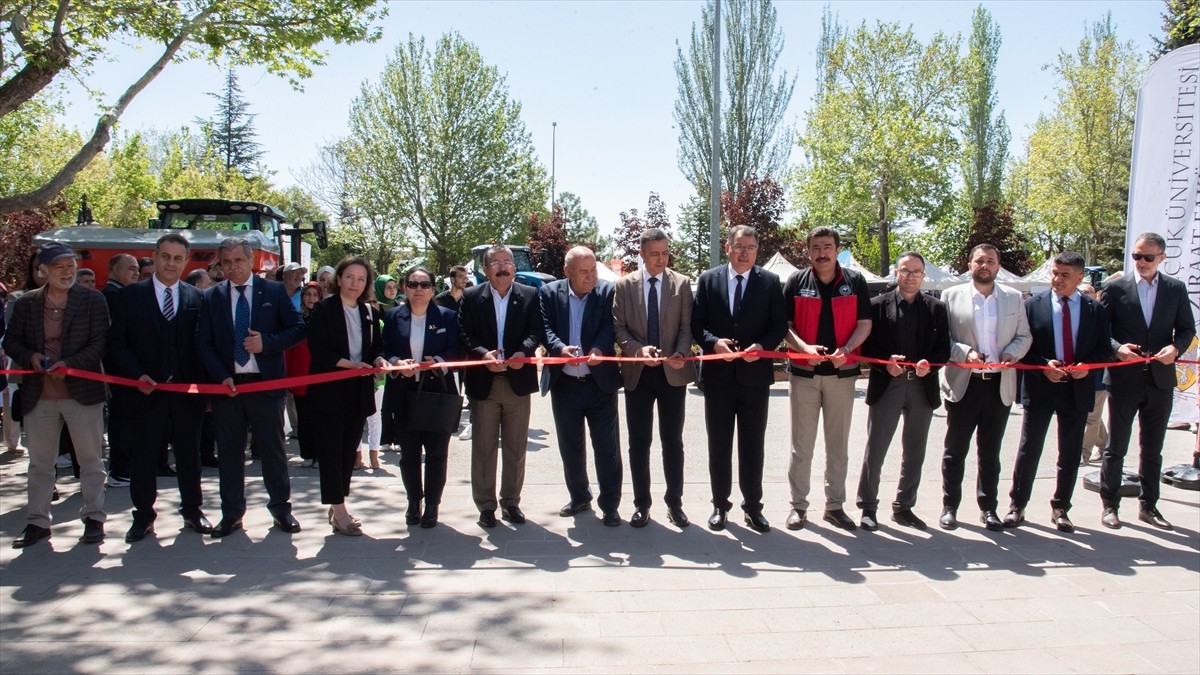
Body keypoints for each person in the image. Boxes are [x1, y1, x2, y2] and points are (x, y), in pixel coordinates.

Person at [196, 237, 306, 538]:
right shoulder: (212, 297)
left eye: (239, 261)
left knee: (272, 451)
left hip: (265, 385)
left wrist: (266, 343)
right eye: (227, 262)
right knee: (230, 453)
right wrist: (221, 375)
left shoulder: (273, 291)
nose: (233, 267)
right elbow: (203, 342)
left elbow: (298, 329)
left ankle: (281, 510)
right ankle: (231, 514)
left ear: (251, 262)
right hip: (229, 389)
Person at [4, 242, 110, 548]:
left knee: (90, 460)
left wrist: (71, 365)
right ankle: (37, 521)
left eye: (71, 265)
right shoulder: (26, 303)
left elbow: (100, 342)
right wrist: (31, 357)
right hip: (40, 395)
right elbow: (11, 341)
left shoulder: (93, 299)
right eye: (60, 266)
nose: (68, 271)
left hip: (82, 392)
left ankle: (94, 517)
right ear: (43, 271)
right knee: (40, 463)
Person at [108, 233, 213, 542]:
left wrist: (205, 393)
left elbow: (203, 346)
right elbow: (117, 343)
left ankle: (193, 511)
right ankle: (143, 517)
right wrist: (137, 375)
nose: (171, 263)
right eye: (165, 257)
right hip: (145, 393)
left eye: (178, 258)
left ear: (185, 261)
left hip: (186, 396)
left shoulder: (197, 297)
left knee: (189, 455)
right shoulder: (130, 296)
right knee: (144, 455)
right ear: (154, 257)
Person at [1002, 252, 1112, 533]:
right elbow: (1023, 346)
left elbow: (1103, 350)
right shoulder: (1032, 306)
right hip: (1041, 387)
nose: (1057, 279)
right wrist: (1042, 366)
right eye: (1054, 273)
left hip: (1077, 389)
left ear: (1079, 277)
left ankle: (1061, 507)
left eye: (1065, 275)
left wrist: (1087, 367)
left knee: (1070, 452)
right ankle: (1017, 505)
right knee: (1029, 449)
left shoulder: (1094, 310)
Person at [691, 225, 787, 532]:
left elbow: (778, 324)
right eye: (740, 246)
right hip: (718, 378)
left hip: (754, 378)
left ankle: (753, 507)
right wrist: (713, 343)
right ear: (728, 246)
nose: (746, 253)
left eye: (752, 247)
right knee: (719, 446)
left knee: (752, 446)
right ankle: (720, 505)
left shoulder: (770, 282)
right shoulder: (708, 280)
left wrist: (763, 347)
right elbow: (696, 324)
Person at [1100, 232, 1196, 530]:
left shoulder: (1175, 289)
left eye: (1147, 257)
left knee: (1152, 448)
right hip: (1124, 378)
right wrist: (1117, 349)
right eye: (1136, 256)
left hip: (1159, 380)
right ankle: (1110, 505)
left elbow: (1186, 329)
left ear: (1162, 258)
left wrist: (1175, 348)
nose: (1140, 262)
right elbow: (1100, 330)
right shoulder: (1116, 288)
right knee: (1116, 446)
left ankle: (1149, 506)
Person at [782, 226, 873, 531]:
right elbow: (786, 326)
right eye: (816, 247)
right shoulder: (796, 281)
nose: (822, 253)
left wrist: (847, 348)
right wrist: (804, 348)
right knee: (801, 446)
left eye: (828, 247)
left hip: (842, 375)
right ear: (808, 251)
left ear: (837, 250)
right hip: (804, 376)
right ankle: (798, 506)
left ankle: (834, 505)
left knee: (838, 446)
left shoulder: (855, 281)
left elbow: (865, 324)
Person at [939, 244, 1032, 531]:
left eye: (990, 261)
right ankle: (949, 506)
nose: (985, 265)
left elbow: (1024, 336)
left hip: (998, 385)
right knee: (955, 450)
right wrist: (965, 353)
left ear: (998, 265)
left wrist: (1012, 353)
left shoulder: (1014, 299)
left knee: (990, 453)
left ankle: (988, 508)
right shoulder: (950, 296)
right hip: (964, 384)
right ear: (970, 265)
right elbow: (944, 339)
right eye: (979, 260)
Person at [855, 251, 950, 531]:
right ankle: (868, 507)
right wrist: (886, 364)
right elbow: (866, 347)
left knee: (915, 450)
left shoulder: (936, 308)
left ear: (924, 275)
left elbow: (943, 349)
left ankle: (904, 506)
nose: (911, 277)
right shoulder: (876, 305)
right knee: (876, 448)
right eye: (905, 271)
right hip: (888, 384)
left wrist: (929, 366)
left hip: (922, 385)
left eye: (916, 272)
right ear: (896, 273)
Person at [613, 228, 696, 528]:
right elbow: (619, 329)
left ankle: (675, 504)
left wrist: (681, 352)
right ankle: (641, 505)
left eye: (665, 253)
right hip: (638, 375)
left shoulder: (682, 284)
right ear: (642, 254)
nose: (661, 259)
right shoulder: (624, 286)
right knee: (639, 443)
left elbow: (687, 327)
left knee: (673, 441)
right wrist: (637, 350)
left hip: (673, 374)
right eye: (654, 254)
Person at [458, 244, 542, 528]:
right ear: (485, 269)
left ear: (514, 268)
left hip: (517, 382)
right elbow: (465, 334)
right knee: (483, 448)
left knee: (516, 448)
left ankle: (511, 502)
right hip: (485, 383)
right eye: (496, 262)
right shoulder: (471, 297)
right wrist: (483, 355)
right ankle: (485, 505)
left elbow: (536, 332)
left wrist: (523, 352)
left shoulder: (530, 295)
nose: (503, 266)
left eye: (507, 261)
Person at [540, 246, 624, 526]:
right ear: (567, 272)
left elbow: (609, 327)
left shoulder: (606, 292)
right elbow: (546, 327)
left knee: (607, 447)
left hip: (600, 384)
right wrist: (558, 347)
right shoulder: (549, 293)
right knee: (570, 446)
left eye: (593, 271)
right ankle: (579, 497)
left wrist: (599, 349)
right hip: (565, 383)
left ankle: (610, 504)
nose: (591, 277)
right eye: (583, 272)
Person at [305, 257, 383, 536]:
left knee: (348, 451)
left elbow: (376, 349)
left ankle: (339, 504)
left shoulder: (369, 313)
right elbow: (319, 350)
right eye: (350, 277)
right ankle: (339, 511)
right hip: (329, 391)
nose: (355, 283)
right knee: (330, 451)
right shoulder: (324, 309)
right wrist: (351, 365)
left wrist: (378, 361)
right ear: (339, 279)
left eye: (361, 279)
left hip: (358, 391)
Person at [382, 267, 461, 528]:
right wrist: (395, 362)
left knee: (437, 454)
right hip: (404, 396)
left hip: (437, 395)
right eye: (413, 284)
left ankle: (432, 505)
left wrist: (438, 361)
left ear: (432, 289)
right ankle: (413, 501)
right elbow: (383, 350)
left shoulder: (448, 317)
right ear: (404, 287)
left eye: (424, 285)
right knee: (409, 455)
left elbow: (457, 350)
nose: (418, 290)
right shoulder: (393, 317)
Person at [101, 253, 141, 488]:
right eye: (130, 269)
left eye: (137, 269)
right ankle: (120, 469)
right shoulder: (114, 296)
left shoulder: (120, 294)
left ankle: (123, 466)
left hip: (121, 369)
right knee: (121, 420)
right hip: (120, 371)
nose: (135, 274)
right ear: (114, 270)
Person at [284, 281, 323, 469]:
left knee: (320, 417)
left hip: (321, 376)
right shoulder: (296, 319)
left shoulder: (326, 317)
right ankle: (307, 453)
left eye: (315, 295)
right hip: (300, 374)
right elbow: (289, 350)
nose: (312, 298)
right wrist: (289, 376)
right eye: (308, 294)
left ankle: (320, 453)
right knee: (304, 418)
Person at [435, 265, 472, 441]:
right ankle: (448, 420)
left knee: (468, 383)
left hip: (466, 348)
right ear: (452, 279)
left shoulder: (469, 298)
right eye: (461, 277)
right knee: (449, 385)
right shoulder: (441, 300)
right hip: (448, 348)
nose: (465, 280)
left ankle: (472, 421)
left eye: (466, 277)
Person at [1078, 283, 1109, 465]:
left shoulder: (1101, 316)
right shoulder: (1076, 314)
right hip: (1077, 377)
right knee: (1092, 417)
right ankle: (1105, 444)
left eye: (1087, 292)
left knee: (1091, 417)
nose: (1083, 296)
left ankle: (1083, 454)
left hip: (1098, 377)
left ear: (1096, 295)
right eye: (1080, 292)